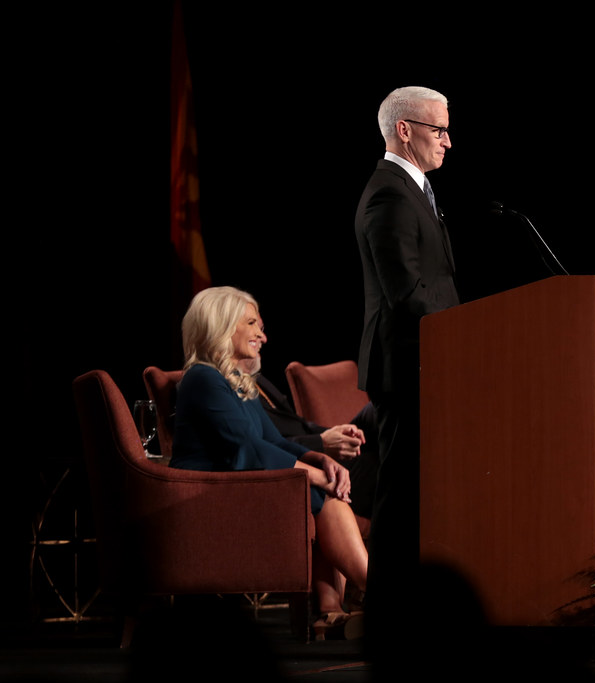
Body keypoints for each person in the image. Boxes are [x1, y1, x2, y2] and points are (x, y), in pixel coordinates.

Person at [170, 286, 368, 638]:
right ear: (222, 326)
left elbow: (273, 441)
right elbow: (245, 448)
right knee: (322, 493)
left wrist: (320, 458)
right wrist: (316, 476)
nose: (263, 335)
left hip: (245, 486)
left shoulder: (237, 383)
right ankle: (372, 592)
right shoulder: (202, 378)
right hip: (211, 499)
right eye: (252, 324)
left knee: (325, 494)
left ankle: (333, 612)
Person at [354, 85, 460, 655]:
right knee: (399, 498)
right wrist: (467, 330)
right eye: (438, 129)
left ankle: (405, 618)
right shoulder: (389, 197)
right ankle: (387, 622)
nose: (447, 140)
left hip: (429, 365)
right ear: (404, 130)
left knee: (420, 496)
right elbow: (407, 293)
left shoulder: (414, 190)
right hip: (405, 368)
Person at [239, 350, 379, 537]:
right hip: (308, 467)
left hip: (316, 453)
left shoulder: (254, 380)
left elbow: (297, 425)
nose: (262, 336)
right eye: (251, 324)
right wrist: (320, 445)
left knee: (381, 409)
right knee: (395, 463)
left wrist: (331, 433)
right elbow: (266, 446)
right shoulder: (219, 384)